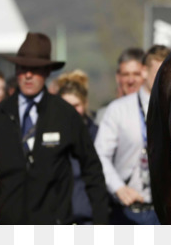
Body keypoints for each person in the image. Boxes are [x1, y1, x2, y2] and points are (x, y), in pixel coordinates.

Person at [0, 32, 108, 224]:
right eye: (22, 68)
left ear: (48, 71)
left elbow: (91, 169)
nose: (28, 75)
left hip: (54, 223)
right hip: (8, 222)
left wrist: (101, 223)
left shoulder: (65, 114)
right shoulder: (0, 115)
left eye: (35, 69)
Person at [93, 45, 169, 224]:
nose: (165, 77)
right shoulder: (119, 110)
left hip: (166, 211)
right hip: (127, 212)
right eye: (160, 72)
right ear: (145, 71)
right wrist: (118, 188)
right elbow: (99, 156)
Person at [57, 69, 100, 225]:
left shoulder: (98, 136)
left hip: (88, 219)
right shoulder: (49, 137)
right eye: (65, 105)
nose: (71, 111)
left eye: (76, 105)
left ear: (85, 104)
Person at [95, 47, 145, 124]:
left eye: (136, 74)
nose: (131, 80)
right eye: (125, 74)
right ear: (118, 77)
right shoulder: (106, 116)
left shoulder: (155, 113)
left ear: (146, 75)